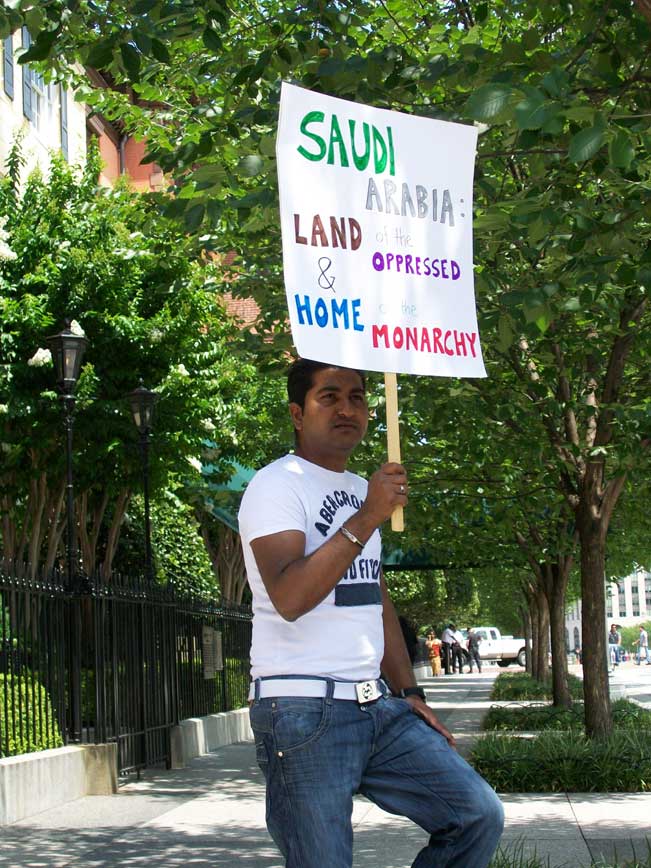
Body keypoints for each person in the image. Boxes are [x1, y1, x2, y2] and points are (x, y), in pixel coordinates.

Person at [238, 359, 504, 868]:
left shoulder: (363, 487)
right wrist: (366, 517)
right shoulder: (276, 485)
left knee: (475, 814)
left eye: (357, 397)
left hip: (376, 708)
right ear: (297, 413)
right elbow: (290, 597)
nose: (346, 408)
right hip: (301, 710)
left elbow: (374, 596)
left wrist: (410, 693)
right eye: (329, 396)